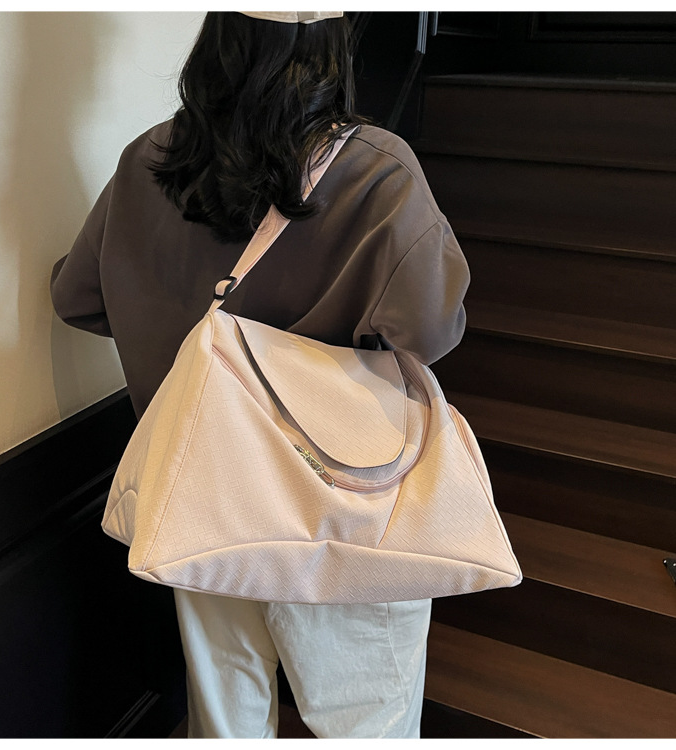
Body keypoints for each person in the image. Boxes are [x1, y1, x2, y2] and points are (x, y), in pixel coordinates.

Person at [50, 11, 470, 739]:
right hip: (336, 507)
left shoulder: (148, 159)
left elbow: (76, 297)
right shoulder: (378, 169)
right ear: (333, 45)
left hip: (201, 492)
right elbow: (431, 330)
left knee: (226, 719)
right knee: (366, 722)